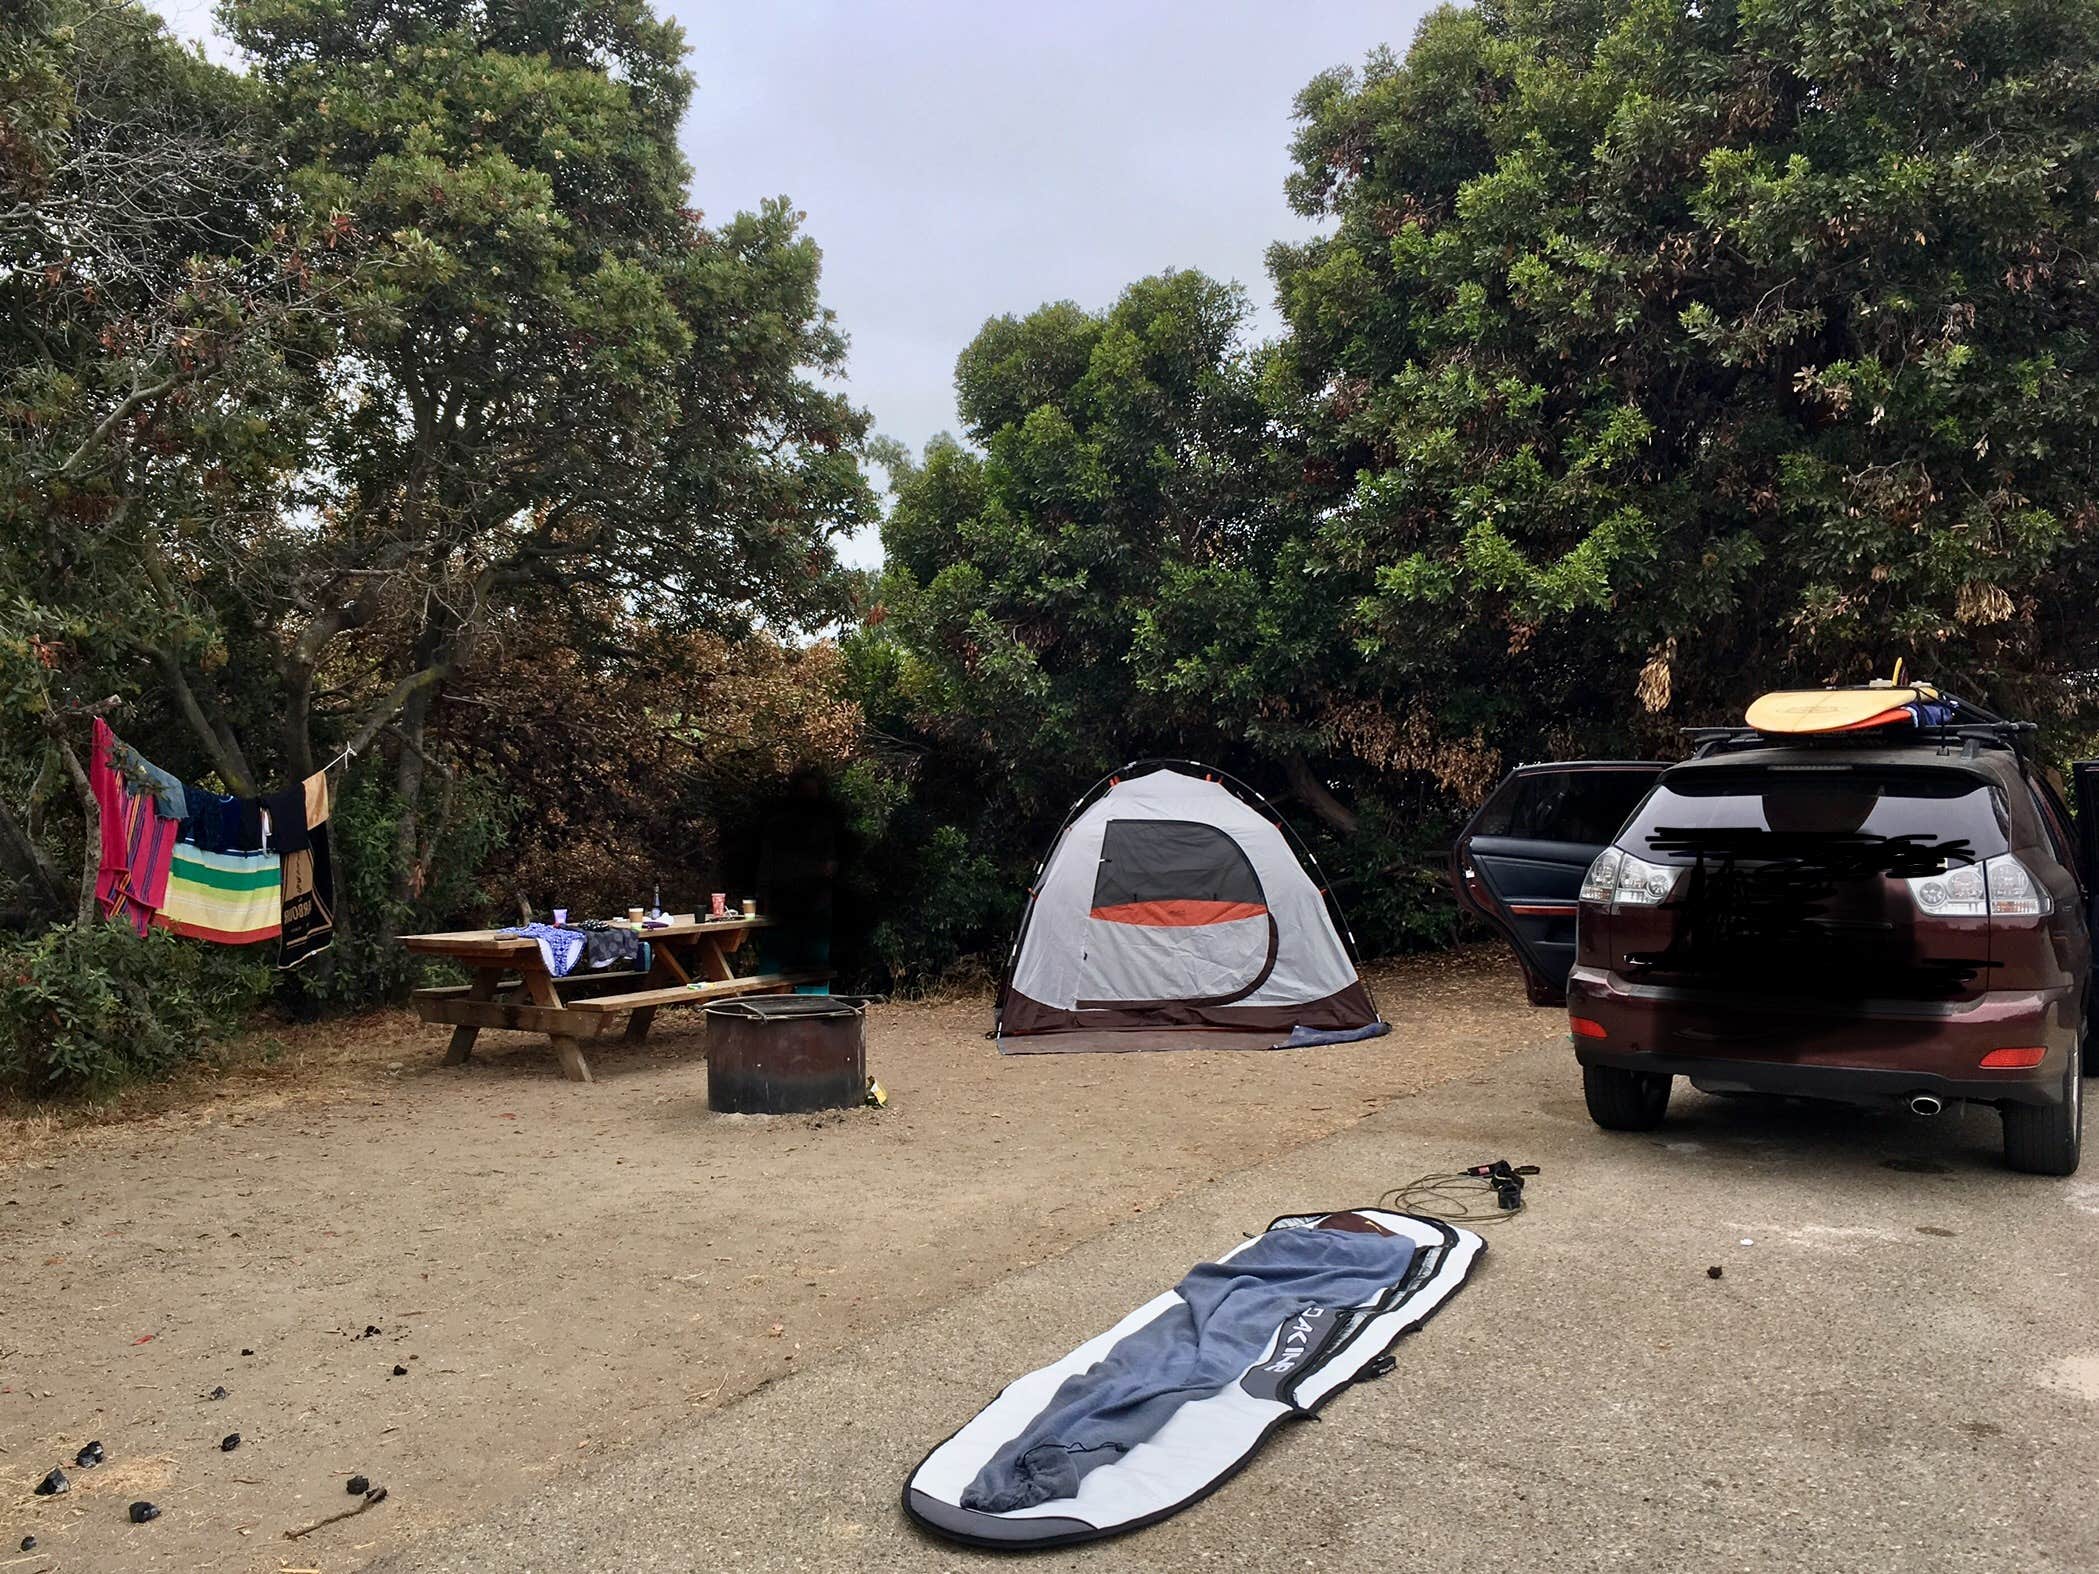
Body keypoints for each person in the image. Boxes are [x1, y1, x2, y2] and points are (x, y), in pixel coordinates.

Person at [756, 768, 841, 990]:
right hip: (783, 901)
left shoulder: (825, 826)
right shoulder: (778, 825)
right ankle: (767, 1008)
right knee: (775, 961)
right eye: (805, 792)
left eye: (813, 792)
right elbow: (768, 864)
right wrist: (764, 897)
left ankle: (815, 1010)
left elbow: (832, 860)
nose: (809, 797)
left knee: (814, 964)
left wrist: (830, 868)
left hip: (817, 903)